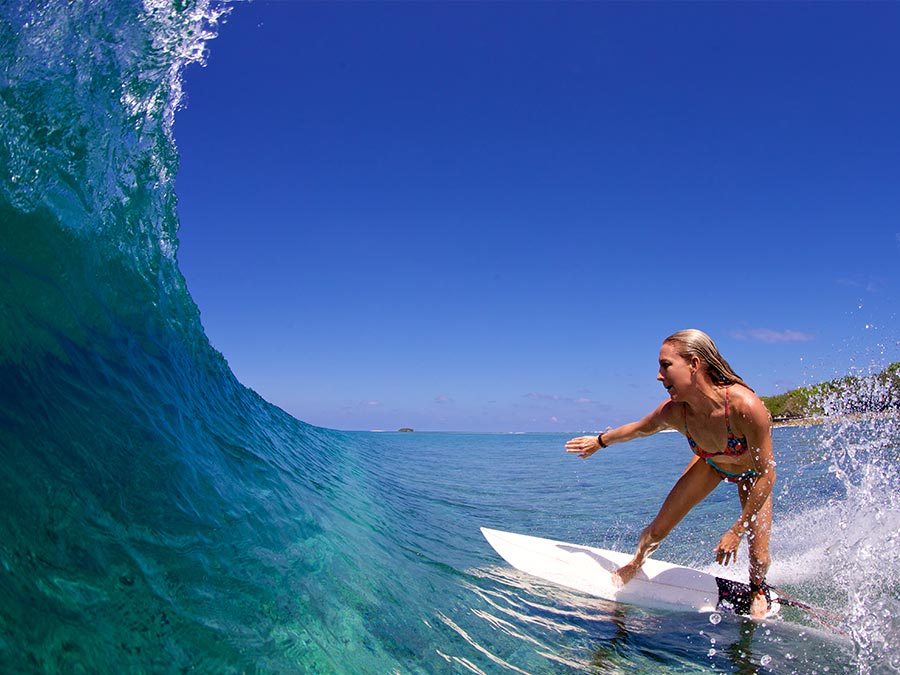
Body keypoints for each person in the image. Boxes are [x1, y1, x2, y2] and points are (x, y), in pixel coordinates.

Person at [565, 329, 776, 619]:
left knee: (759, 557)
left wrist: (736, 530)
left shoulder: (745, 408)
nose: (658, 376)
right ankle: (637, 562)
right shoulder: (675, 412)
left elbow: (767, 474)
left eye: (665, 365)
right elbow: (638, 429)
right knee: (656, 531)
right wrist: (600, 442)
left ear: (694, 364)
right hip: (711, 464)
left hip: (753, 475)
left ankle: (757, 588)